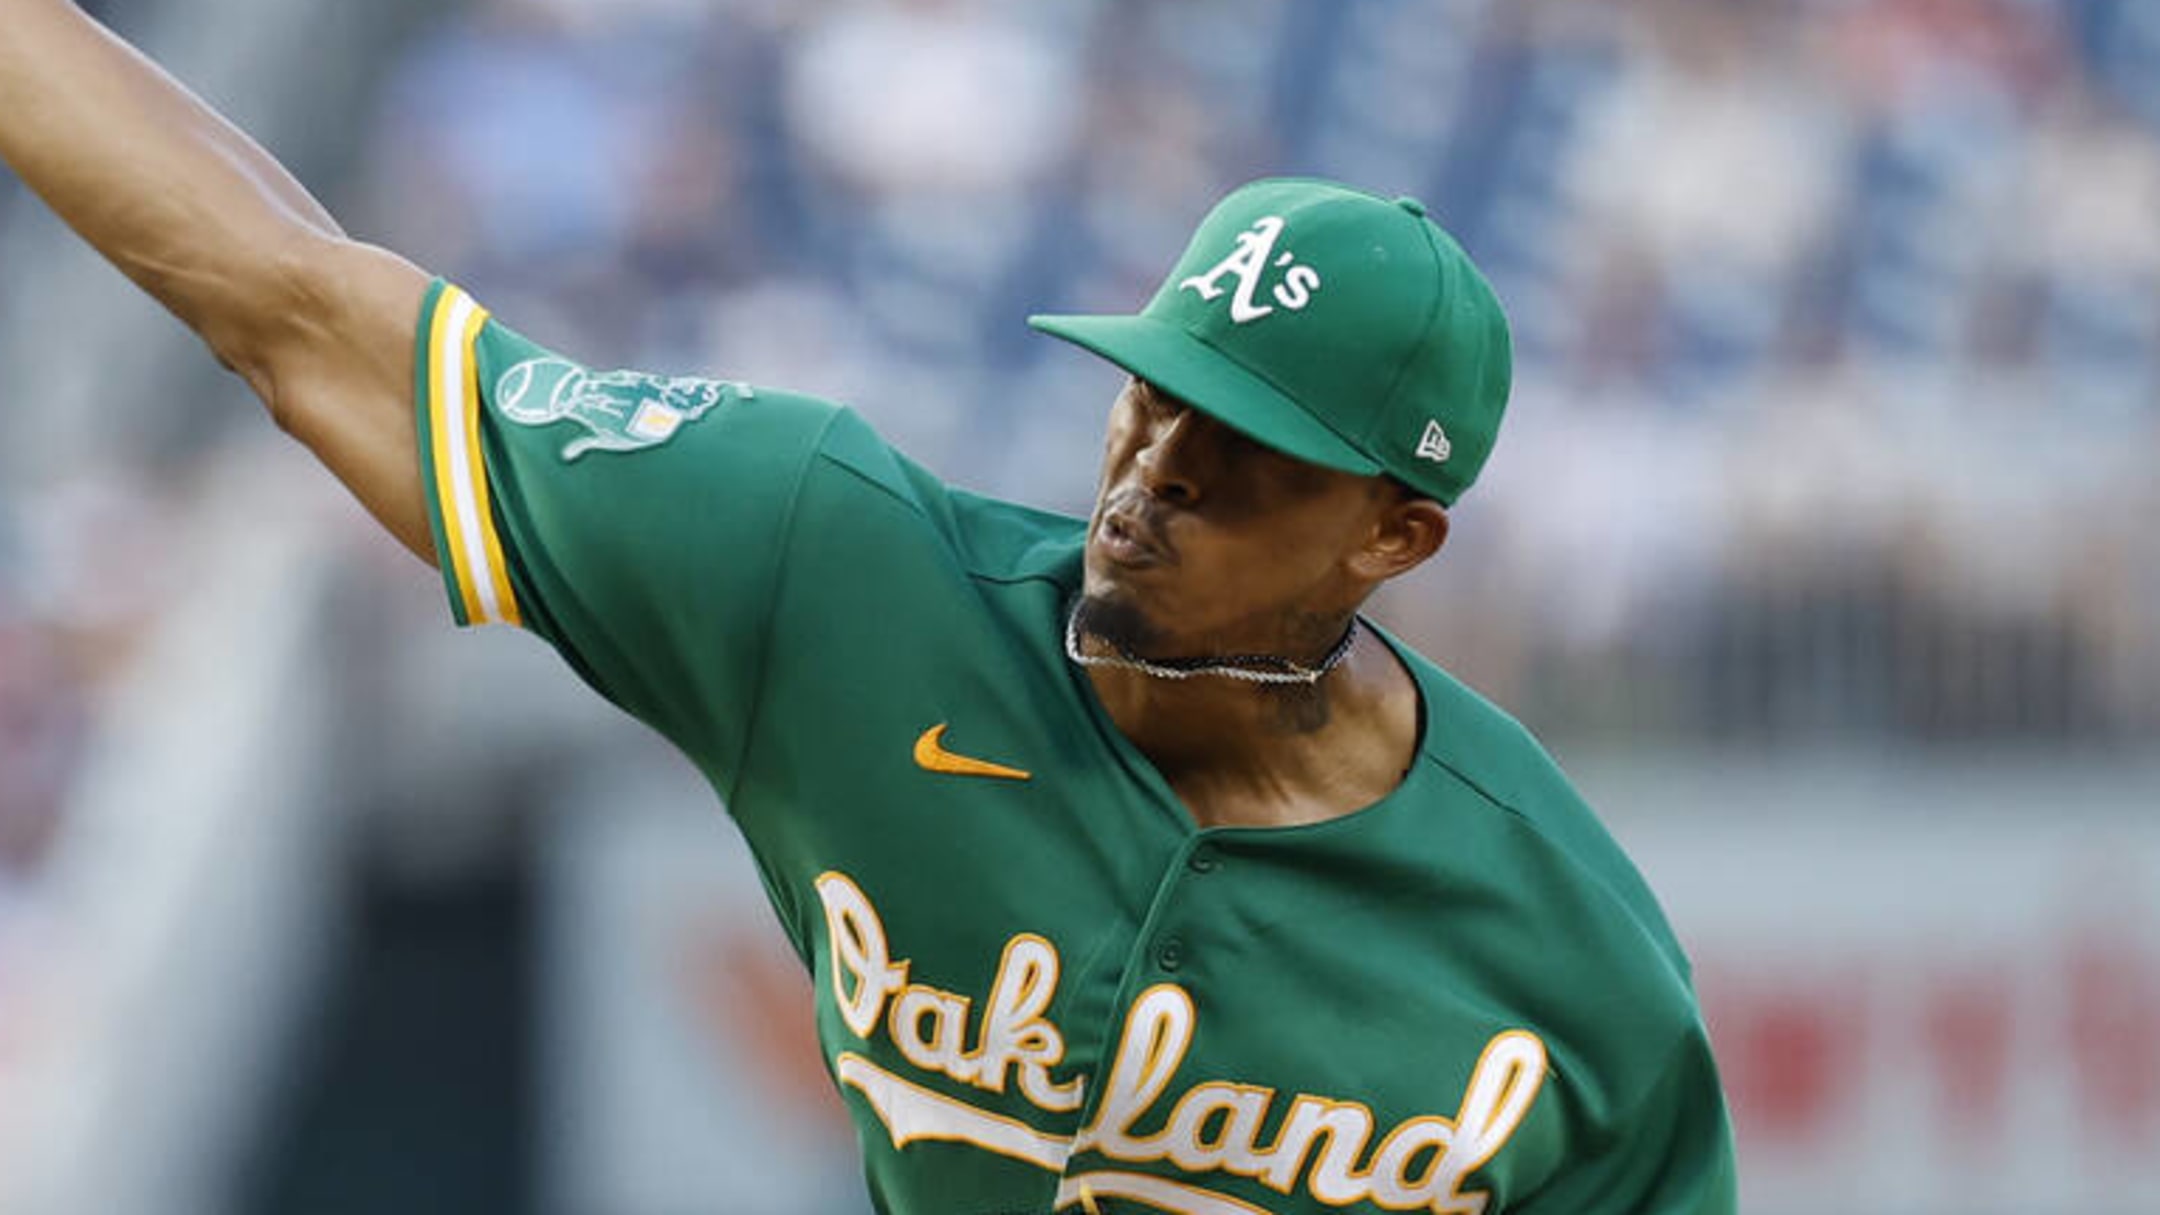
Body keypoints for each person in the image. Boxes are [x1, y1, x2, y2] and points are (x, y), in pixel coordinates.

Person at [0, 3, 1738, 1212]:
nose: (1150, 479)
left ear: (1397, 539)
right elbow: (303, 313)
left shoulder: (1573, 975)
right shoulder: (835, 574)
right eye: (1154, 399)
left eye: (1248, 458)